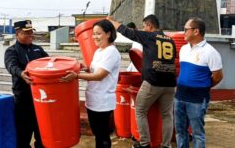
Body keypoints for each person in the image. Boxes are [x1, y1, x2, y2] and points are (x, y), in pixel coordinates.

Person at [108, 15, 176, 148]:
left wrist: (111, 21)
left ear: (150, 26)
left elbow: (127, 31)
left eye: (144, 26)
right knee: (167, 115)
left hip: (153, 82)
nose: (143, 29)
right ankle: (166, 145)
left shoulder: (149, 36)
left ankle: (144, 144)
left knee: (140, 110)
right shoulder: (170, 40)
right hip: (170, 83)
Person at [60, 19, 121, 148]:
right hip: (93, 100)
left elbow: (99, 75)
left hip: (102, 102)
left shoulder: (111, 52)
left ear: (108, 34)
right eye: (93, 34)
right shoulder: (99, 51)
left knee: (102, 135)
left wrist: (76, 76)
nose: (94, 37)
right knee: (97, 133)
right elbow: (93, 70)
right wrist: (82, 68)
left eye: (98, 34)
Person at [174, 17, 223, 148]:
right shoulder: (184, 49)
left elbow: (218, 76)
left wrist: (203, 86)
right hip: (179, 97)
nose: (183, 32)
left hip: (197, 99)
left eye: (186, 29)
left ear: (196, 31)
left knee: (197, 133)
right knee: (180, 131)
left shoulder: (211, 52)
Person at [4, 20, 48, 148]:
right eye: (26, 33)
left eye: (31, 32)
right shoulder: (11, 51)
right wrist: (21, 73)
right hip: (24, 99)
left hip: (40, 98)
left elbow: (49, 62)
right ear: (17, 33)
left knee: (42, 132)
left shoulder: (38, 49)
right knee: (23, 135)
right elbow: (11, 66)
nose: (30, 35)